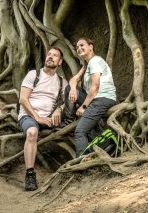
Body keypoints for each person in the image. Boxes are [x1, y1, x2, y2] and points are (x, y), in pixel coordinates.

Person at [18, 46, 67, 191]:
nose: (50, 57)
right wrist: (37, 117)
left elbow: (67, 101)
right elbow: (23, 99)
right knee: (32, 132)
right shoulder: (34, 74)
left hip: (48, 118)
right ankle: (30, 175)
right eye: (49, 54)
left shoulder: (61, 81)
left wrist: (59, 109)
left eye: (55, 55)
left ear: (60, 62)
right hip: (29, 116)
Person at [63, 37, 117, 156]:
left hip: (102, 99)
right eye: (77, 47)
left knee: (80, 131)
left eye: (82, 45)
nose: (79, 48)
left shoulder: (95, 61)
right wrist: (73, 88)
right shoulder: (88, 65)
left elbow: (95, 86)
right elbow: (73, 81)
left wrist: (83, 107)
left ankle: (81, 162)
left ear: (91, 47)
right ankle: (69, 119)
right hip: (95, 99)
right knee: (69, 88)